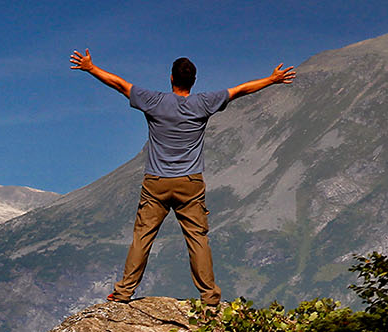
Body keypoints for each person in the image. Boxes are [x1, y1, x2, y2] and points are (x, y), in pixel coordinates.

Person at [71, 51, 295, 307]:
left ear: (171, 79)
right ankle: (209, 296)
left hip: (156, 182)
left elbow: (119, 84)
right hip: (190, 182)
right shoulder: (204, 103)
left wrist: (90, 68)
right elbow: (241, 90)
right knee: (197, 238)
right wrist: (272, 79)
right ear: (194, 81)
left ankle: (123, 293)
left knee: (143, 237)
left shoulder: (153, 101)